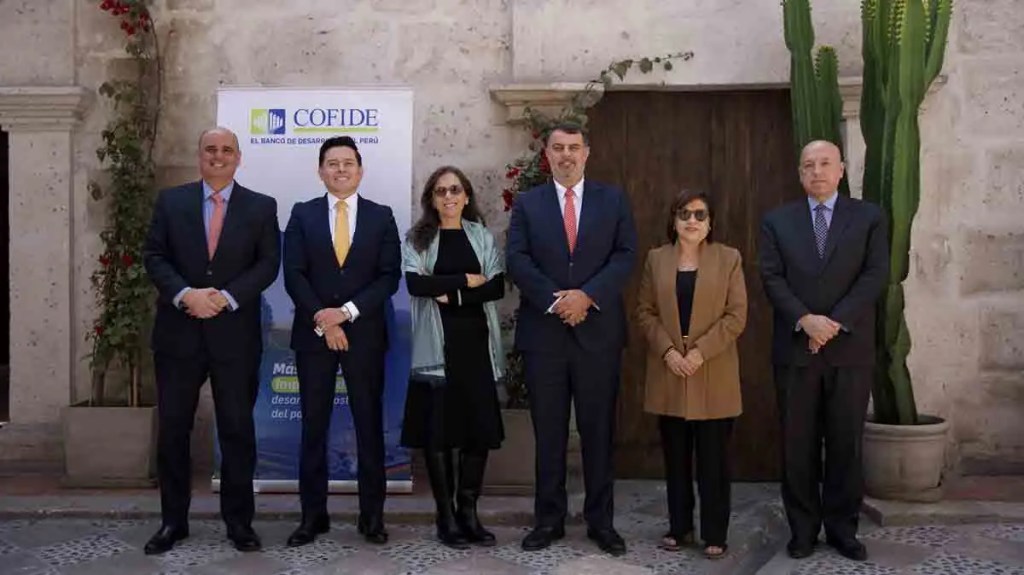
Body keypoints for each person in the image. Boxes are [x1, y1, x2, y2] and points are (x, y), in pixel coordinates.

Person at [142, 127, 281, 554]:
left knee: (238, 431)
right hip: (179, 335)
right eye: (210, 149)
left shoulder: (261, 207)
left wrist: (226, 297)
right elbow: (154, 256)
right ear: (199, 155)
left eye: (226, 150)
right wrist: (187, 295)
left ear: (238, 157)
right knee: (174, 431)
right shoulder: (172, 201)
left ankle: (239, 524)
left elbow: (268, 263)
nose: (218, 156)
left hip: (234, 338)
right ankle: (173, 522)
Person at [506, 121, 637, 557]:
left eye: (573, 148)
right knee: (549, 434)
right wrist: (557, 301)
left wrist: (588, 296)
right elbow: (518, 260)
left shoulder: (612, 199)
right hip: (545, 335)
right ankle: (548, 521)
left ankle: (602, 523)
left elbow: (625, 255)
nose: (566, 155)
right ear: (547, 154)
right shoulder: (528, 204)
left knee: (599, 433)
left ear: (587, 152)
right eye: (558, 148)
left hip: (597, 333)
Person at [759, 140, 888, 562]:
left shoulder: (868, 217)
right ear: (800, 174)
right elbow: (772, 277)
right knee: (797, 446)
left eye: (825, 163)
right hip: (796, 349)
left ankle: (842, 528)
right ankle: (802, 530)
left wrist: (832, 323)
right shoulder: (777, 221)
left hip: (848, 349)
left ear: (841, 169)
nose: (817, 171)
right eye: (808, 165)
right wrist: (806, 320)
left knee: (845, 444)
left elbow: (874, 274)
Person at [282, 136, 401, 547]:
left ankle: (372, 518)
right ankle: (312, 517)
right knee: (313, 426)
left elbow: (388, 277)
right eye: (332, 163)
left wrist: (346, 314)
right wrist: (324, 319)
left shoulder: (382, 216)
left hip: (364, 336)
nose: (340, 169)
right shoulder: (302, 214)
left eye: (348, 162)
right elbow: (294, 273)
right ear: (321, 171)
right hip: (315, 336)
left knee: (368, 426)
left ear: (360, 169)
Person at [635, 190, 747, 560]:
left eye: (700, 214)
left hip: (712, 369)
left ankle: (715, 532)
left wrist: (699, 352)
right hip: (670, 371)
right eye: (684, 213)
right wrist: (668, 351)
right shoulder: (656, 259)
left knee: (714, 461)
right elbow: (645, 311)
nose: (692, 221)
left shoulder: (728, 258)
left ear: (710, 221)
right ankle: (679, 527)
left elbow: (736, 316)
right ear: (673, 219)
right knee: (676, 458)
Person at [399, 166, 506, 549]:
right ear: (431, 198)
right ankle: (445, 518)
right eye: (440, 191)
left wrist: (452, 294)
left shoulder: (480, 235)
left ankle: (468, 514)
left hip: (476, 347)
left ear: (466, 196)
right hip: (435, 349)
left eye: (455, 190)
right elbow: (415, 284)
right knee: (438, 436)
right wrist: (464, 279)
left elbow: (496, 285)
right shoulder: (418, 238)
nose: (448, 197)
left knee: (478, 433)